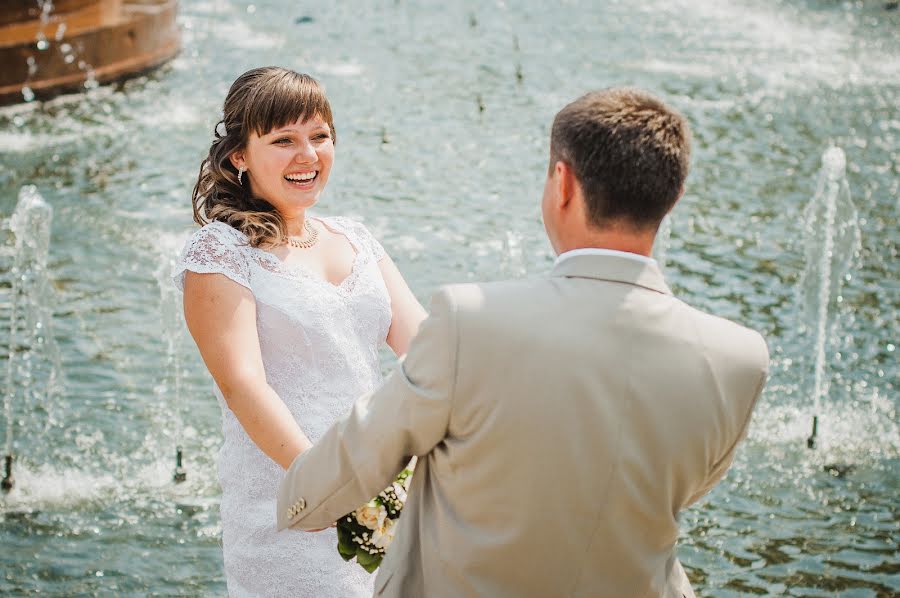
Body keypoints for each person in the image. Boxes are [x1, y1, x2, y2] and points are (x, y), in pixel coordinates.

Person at [277, 87, 769, 597]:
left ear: (562, 183)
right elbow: (683, 487)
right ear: (673, 195)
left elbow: (361, 453)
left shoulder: (472, 321)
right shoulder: (739, 360)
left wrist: (297, 501)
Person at [174, 67, 426, 597]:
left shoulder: (355, 238)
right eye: (284, 140)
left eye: (320, 136)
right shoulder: (219, 253)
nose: (308, 155)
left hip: (380, 496)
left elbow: (427, 349)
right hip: (290, 506)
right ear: (239, 155)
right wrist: (327, 485)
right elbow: (244, 384)